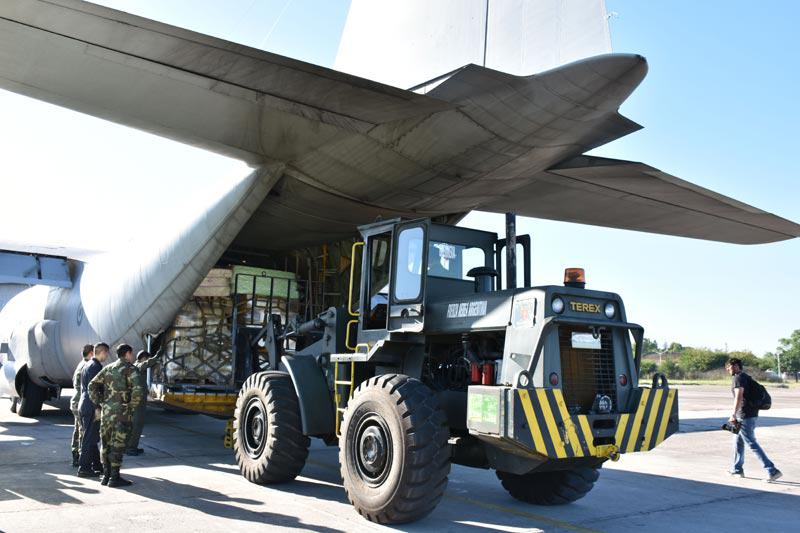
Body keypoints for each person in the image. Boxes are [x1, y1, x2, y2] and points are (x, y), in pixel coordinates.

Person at [88, 343, 142, 487]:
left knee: (105, 445)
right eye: (132, 353)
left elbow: (91, 385)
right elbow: (138, 392)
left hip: (106, 415)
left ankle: (106, 476)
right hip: (122, 415)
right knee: (118, 445)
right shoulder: (131, 370)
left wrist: (100, 402)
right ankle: (114, 477)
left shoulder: (107, 368)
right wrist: (131, 407)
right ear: (128, 354)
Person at [726, 357, 782, 481]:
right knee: (737, 441)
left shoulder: (738, 378)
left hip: (744, 415)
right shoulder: (745, 376)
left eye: (729, 367)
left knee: (751, 443)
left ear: (734, 366)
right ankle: (737, 469)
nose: (728, 369)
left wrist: (733, 414)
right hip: (750, 414)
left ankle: (771, 470)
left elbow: (738, 397)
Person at [77, 342, 109, 477]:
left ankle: (96, 465)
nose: (107, 356)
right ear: (101, 352)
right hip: (91, 405)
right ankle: (84, 468)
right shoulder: (96, 366)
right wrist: (97, 407)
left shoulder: (86, 365)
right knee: (89, 438)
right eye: (106, 353)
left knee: (92, 437)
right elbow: (94, 389)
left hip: (84, 403)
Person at [125, 350, 159, 455]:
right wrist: (157, 356)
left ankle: (132, 446)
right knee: (136, 424)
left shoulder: (136, 367)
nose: (148, 361)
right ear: (143, 358)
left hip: (139, 400)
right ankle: (130, 448)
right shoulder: (137, 366)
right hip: (137, 401)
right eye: (147, 358)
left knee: (136, 425)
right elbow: (146, 364)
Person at [70, 344, 94, 467]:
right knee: (83, 432)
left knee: (78, 430)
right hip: (81, 401)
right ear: (90, 353)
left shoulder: (80, 364)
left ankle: (76, 456)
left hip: (76, 401)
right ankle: (81, 459)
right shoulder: (87, 366)